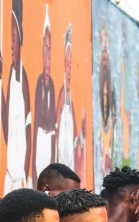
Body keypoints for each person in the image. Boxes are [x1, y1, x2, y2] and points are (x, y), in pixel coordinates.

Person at [0, 0, 32, 193]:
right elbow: (7, 125)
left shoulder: (23, 78)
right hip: (10, 170)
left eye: (14, 38)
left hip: (19, 174)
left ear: (20, 39)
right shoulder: (11, 73)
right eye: (9, 38)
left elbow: (27, 131)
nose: (11, 45)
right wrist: (0, 83)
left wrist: (25, 175)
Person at [31, 5, 56, 177]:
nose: (47, 57)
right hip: (40, 142)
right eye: (45, 50)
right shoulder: (39, 82)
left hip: (48, 143)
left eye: (50, 51)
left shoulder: (52, 85)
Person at [56, 25, 77, 169]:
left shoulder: (69, 96)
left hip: (70, 156)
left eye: (71, 65)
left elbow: (74, 129)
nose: (69, 70)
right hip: (62, 154)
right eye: (67, 65)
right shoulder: (62, 94)